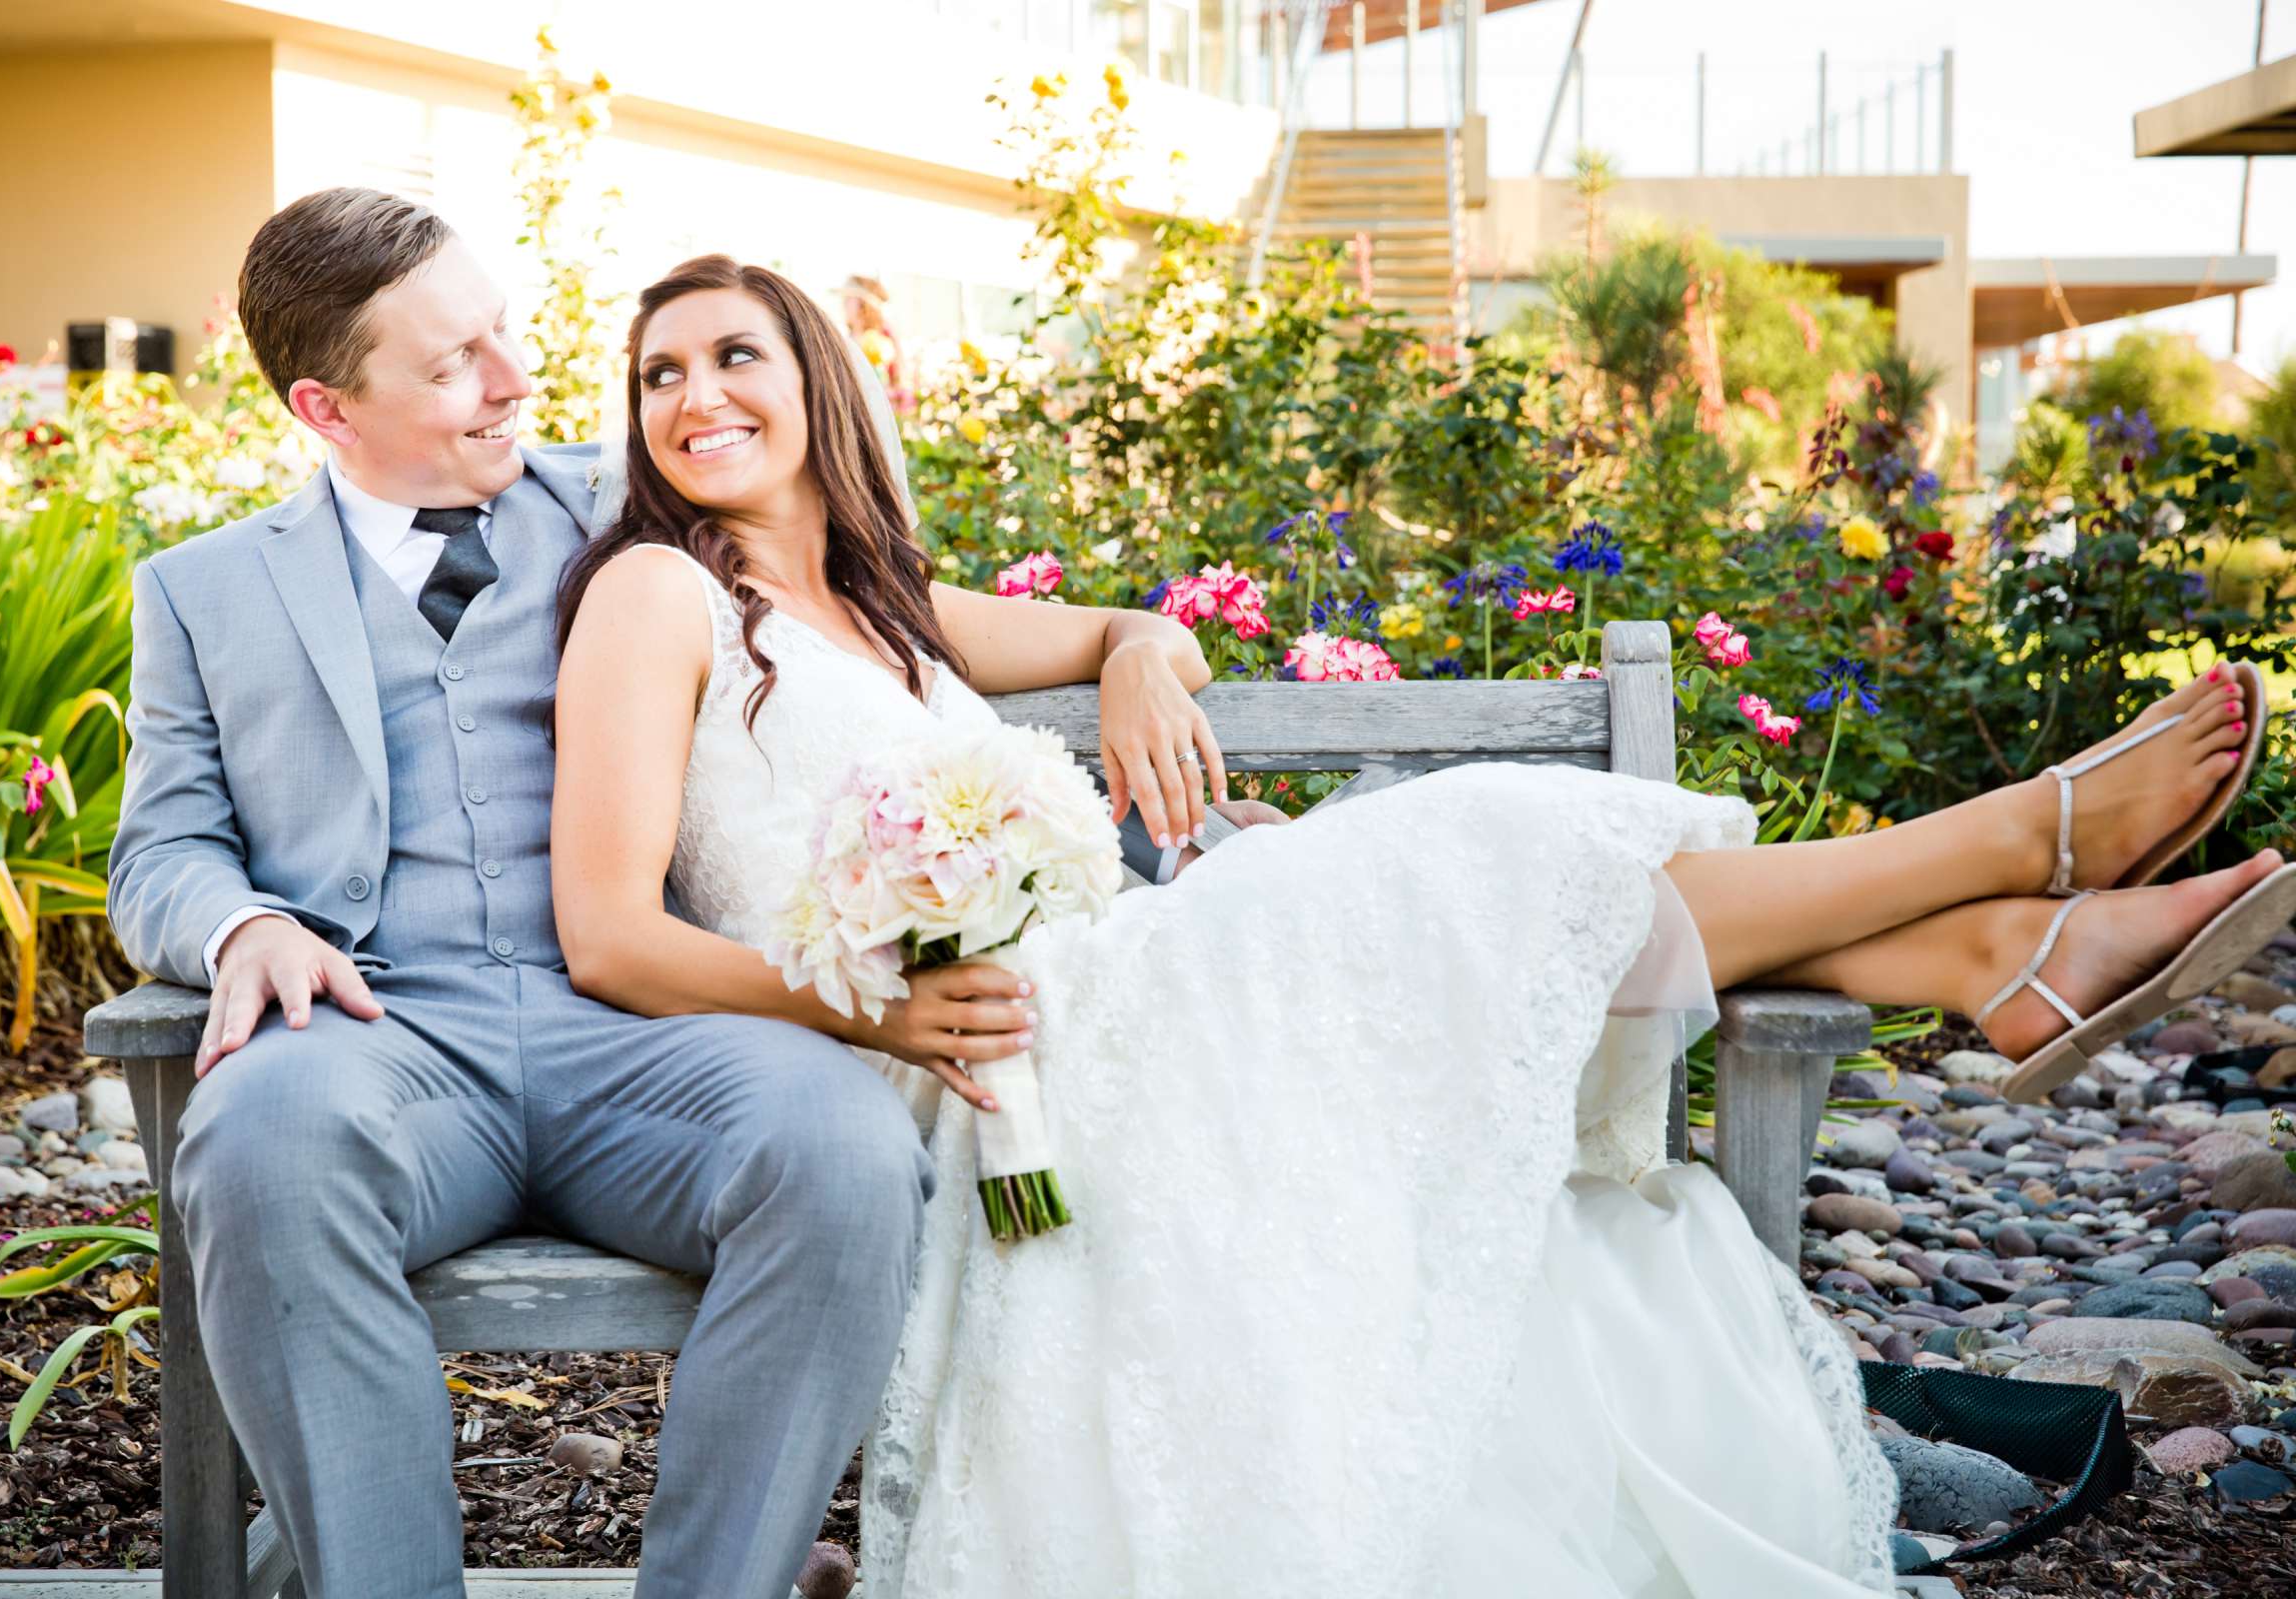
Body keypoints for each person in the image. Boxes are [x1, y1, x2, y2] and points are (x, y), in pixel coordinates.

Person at [549, 253, 2283, 1598]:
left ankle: (1995, 947)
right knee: (1463, 848)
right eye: (658, 375)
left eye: (732, 355)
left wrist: (1147, 649)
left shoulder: (879, 601)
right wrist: (870, 1014)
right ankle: (2006, 875)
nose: (693, 394)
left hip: (1098, 1006)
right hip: (984, 1053)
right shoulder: (655, 592)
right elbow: (610, 930)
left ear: (813, 383)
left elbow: (1108, 630)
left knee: (1464, 874)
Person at [107, 191, 1243, 1599]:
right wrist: (244, 921)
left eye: (506, 336)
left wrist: (1136, 641)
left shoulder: (643, 508)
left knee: (841, 1154)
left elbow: (883, 621)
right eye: (456, 362)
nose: (516, 380)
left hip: (644, 1034)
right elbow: (159, 851)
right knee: (256, 1142)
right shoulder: (205, 592)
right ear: (326, 408)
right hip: (382, 1040)